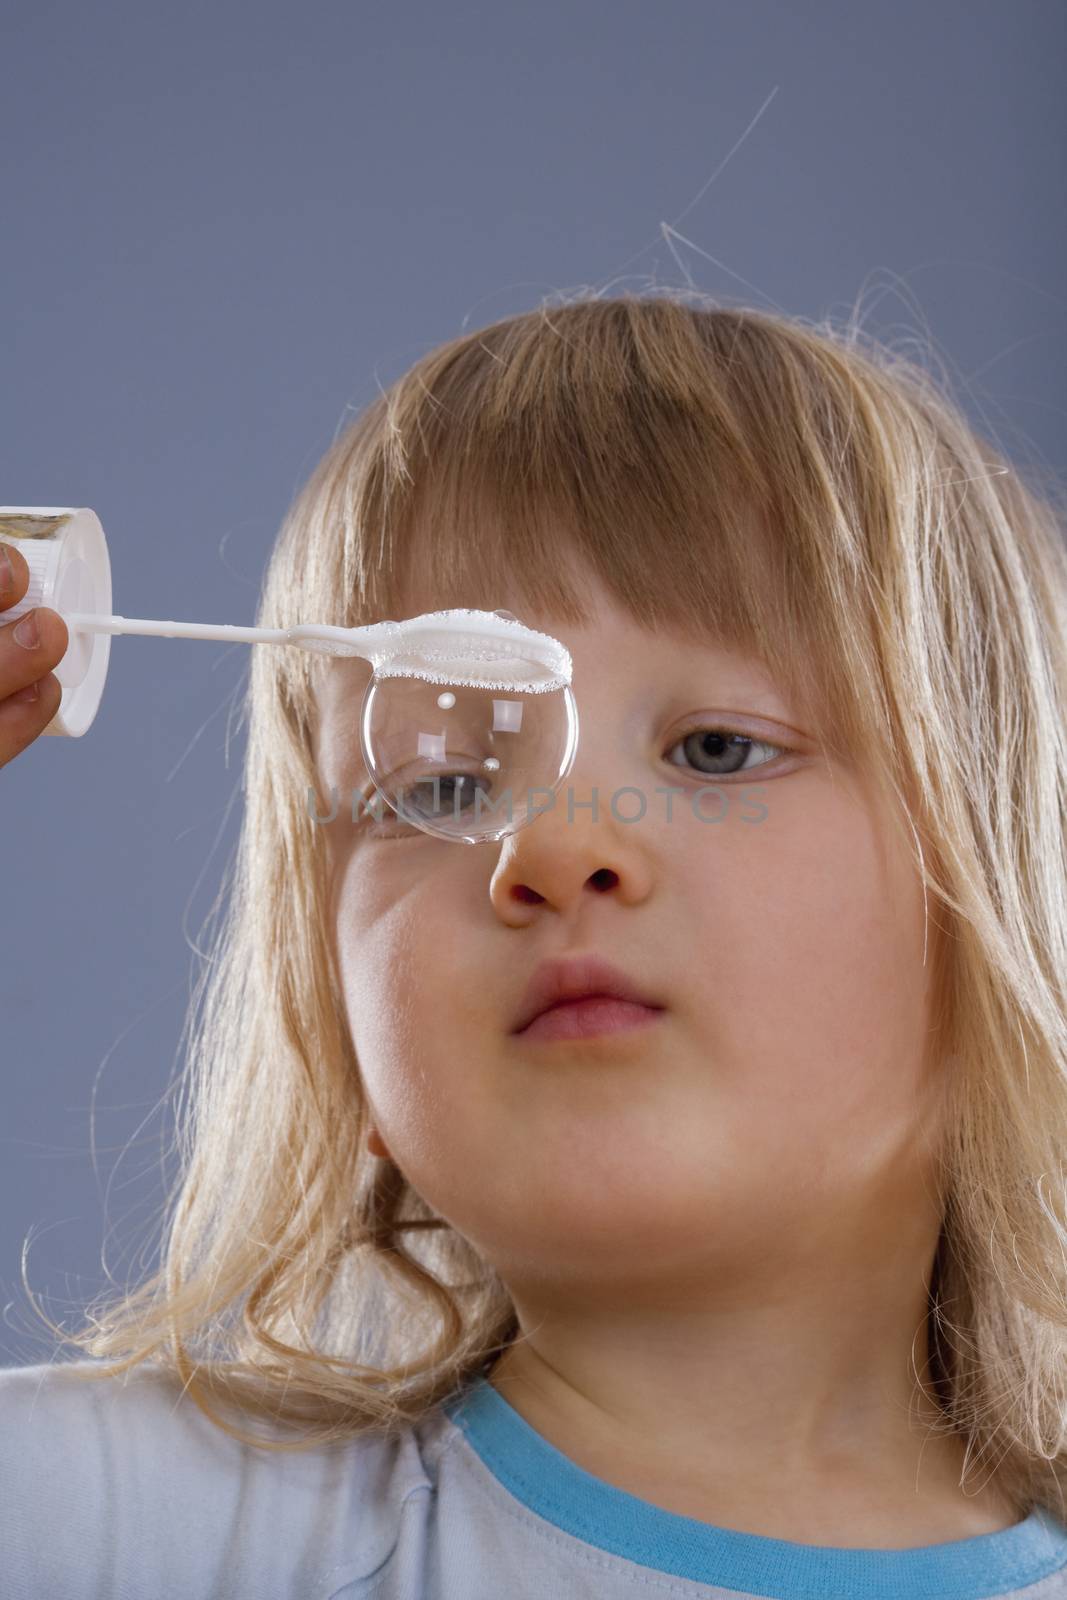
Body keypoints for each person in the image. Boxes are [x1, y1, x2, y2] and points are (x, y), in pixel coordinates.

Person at [3, 292, 1067, 1599]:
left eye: (716, 748)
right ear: (333, 1010)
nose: (557, 849)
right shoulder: (125, 1535)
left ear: (999, 895)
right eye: (444, 789)